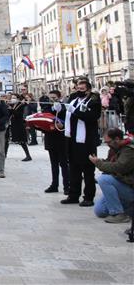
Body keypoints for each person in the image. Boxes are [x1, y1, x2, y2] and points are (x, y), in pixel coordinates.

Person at [59, 77, 101, 206]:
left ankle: (88, 197)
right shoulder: (74, 100)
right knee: (74, 168)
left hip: (86, 140)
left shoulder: (93, 102)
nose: (79, 90)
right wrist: (59, 110)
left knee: (88, 170)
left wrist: (75, 111)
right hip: (72, 140)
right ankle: (73, 195)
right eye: (78, 88)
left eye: (82, 89)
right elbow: (68, 116)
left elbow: (91, 117)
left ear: (88, 90)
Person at [90, 128, 134, 223]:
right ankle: (128, 209)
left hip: (130, 187)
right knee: (100, 211)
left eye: (108, 142)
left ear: (117, 139)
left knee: (104, 179)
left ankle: (118, 214)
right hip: (122, 184)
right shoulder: (115, 149)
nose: (107, 144)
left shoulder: (129, 150)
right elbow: (110, 163)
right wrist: (100, 161)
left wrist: (99, 163)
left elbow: (119, 167)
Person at [43, 90, 70, 195]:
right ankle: (54, 185)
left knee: (63, 163)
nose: (52, 100)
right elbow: (45, 117)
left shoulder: (64, 107)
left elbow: (67, 121)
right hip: (50, 138)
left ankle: (66, 186)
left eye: (54, 97)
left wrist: (62, 124)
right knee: (53, 164)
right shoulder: (47, 107)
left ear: (59, 97)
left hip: (61, 139)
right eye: (51, 98)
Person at [5, 93, 32, 161]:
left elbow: (18, 115)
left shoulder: (21, 105)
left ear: (18, 99)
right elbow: (10, 113)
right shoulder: (13, 105)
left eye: (14, 98)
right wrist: (8, 107)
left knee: (22, 141)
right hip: (11, 124)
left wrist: (11, 109)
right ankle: (4, 155)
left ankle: (28, 156)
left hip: (19, 125)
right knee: (6, 140)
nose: (12, 99)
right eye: (12, 98)